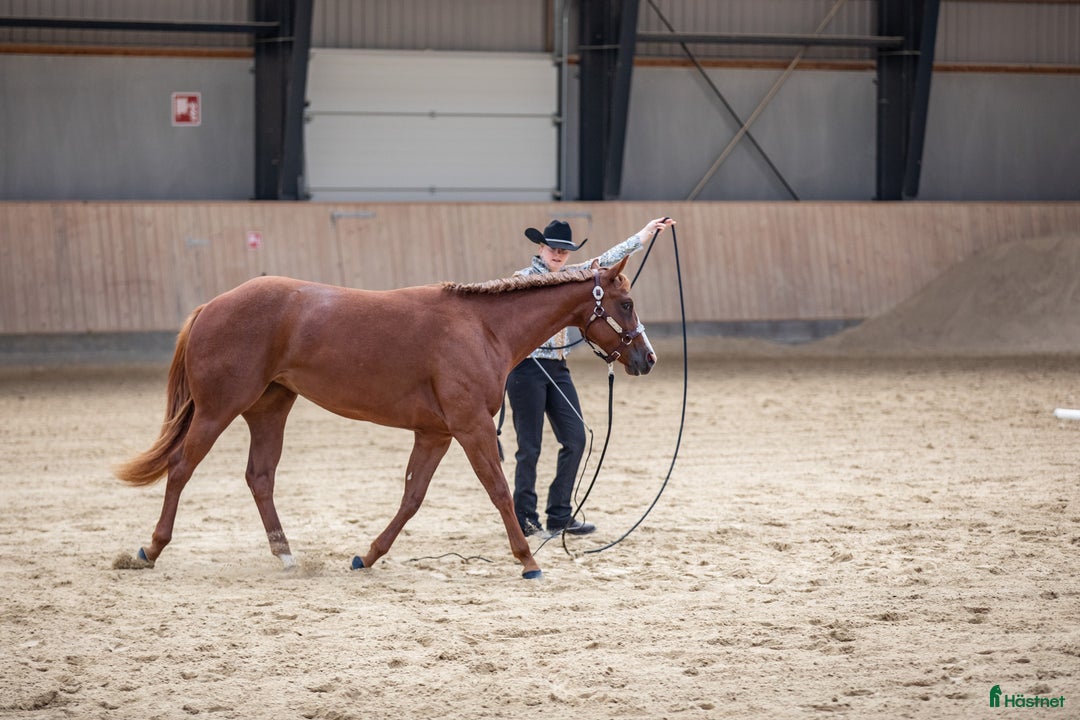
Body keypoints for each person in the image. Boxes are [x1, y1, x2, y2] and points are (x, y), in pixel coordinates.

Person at [507, 216, 676, 538]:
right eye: (553, 249)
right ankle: (524, 518)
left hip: (557, 367)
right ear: (541, 248)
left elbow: (607, 261)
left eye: (564, 251)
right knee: (529, 447)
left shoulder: (572, 277)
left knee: (575, 439)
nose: (558, 255)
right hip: (526, 368)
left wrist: (644, 234)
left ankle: (560, 514)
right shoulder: (523, 279)